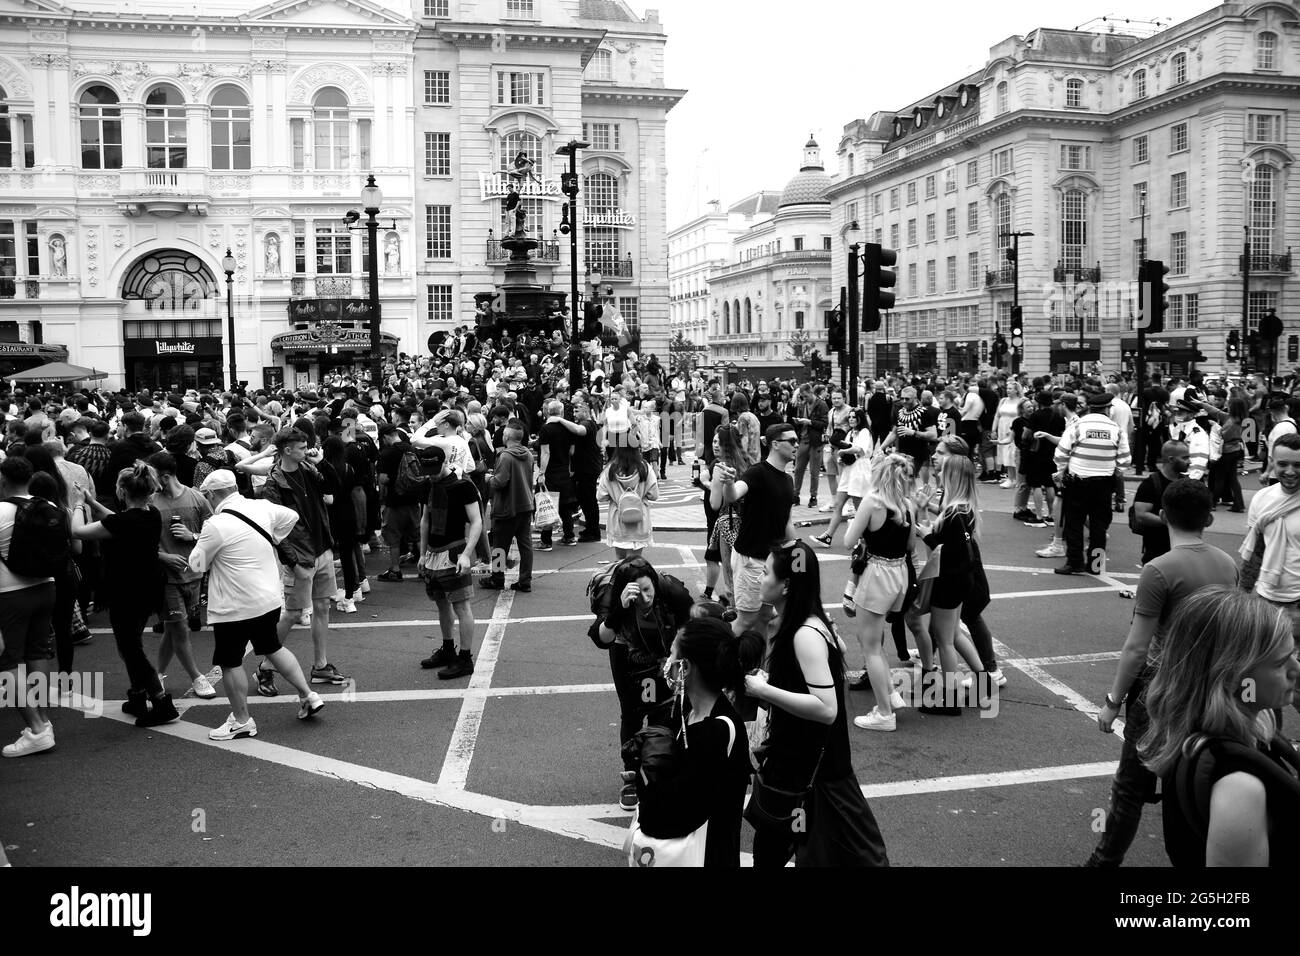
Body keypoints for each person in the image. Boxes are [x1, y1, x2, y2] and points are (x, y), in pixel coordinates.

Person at [1086, 478, 1238, 867]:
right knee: (1187, 780)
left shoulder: (1158, 570)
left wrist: (1111, 702)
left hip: (1161, 684)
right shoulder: (1227, 565)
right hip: (1209, 683)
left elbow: (1137, 646)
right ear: (1209, 517)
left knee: (1130, 786)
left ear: (1164, 515)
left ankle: (1104, 862)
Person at [746, 541, 889, 867]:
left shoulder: (804, 633)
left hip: (811, 769)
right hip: (804, 764)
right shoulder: (802, 623)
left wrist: (763, 690)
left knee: (849, 854)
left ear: (786, 585)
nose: (759, 578)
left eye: (766, 572)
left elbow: (827, 709)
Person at [1139, 587, 1300, 867]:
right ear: (1233, 677)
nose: (1296, 669)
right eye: (1280, 663)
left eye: (1294, 654)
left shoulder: (1237, 727)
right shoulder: (1239, 787)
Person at [188, 469, 325, 740]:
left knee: (230, 661)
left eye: (207, 495)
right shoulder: (261, 506)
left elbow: (196, 565)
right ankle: (308, 695)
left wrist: (198, 544)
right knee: (272, 646)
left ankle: (241, 720)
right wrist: (273, 536)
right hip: (268, 597)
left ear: (214, 494)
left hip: (234, 604)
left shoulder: (215, 524)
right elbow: (292, 516)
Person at [634, 617, 761, 867]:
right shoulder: (684, 710)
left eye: (672, 654)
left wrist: (648, 765)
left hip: (707, 856)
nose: (666, 662)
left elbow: (662, 816)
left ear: (687, 667)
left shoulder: (716, 732)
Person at [75, 462, 179, 727]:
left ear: (122, 491)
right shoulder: (151, 513)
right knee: (130, 643)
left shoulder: (123, 521)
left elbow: (77, 531)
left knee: (130, 648)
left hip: (126, 590)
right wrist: (93, 502)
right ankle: (137, 694)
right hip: (148, 587)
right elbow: (116, 520)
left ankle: (161, 700)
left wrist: (79, 505)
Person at [254, 427, 346, 696]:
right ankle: (265, 666)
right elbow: (274, 531)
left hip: (321, 549)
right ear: (287, 450)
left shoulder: (309, 469)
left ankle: (320, 666)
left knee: (323, 608)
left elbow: (333, 489)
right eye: (303, 448)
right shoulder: (274, 482)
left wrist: (323, 464)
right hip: (300, 556)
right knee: (293, 613)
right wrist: (293, 563)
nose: (308, 451)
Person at [596, 556, 693, 810]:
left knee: (666, 711)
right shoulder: (613, 597)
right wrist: (620, 610)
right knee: (632, 714)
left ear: (654, 584)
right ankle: (631, 774)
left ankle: (658, 767)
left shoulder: (671, 591)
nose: (645, 598)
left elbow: (689, 625)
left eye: (647, 590)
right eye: (638, 593)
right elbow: (601, 638)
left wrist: (675, 656)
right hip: (627, 658)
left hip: (664, 655)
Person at [842, 453, 914, 731]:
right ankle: (891, 695)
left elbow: (849, 541)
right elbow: (909, 546)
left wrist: (857, 526)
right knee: (875, 642)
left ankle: (884, 713)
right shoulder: (906, 505)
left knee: (869, 645)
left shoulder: (872, 502)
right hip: (899, 574)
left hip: (877, 574)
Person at [0, 457, 59, 757]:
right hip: (46, 586)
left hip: (9, 593)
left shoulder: (1, 511)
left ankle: (36, 729)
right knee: (38, 652)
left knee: (7, 662)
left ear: (4, 479)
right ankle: (43, 721)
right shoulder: (48, 507)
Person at [147, 451, 217, 700]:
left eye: (151, 475)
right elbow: (140, 542)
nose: (148, 479)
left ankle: (156, 676)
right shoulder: (149, 502)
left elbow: (215, 532)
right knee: (180, 627)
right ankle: (197, 676)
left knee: (172, 627)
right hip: (166, 578)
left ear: (164, 477)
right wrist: (162, 556)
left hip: (194, 576)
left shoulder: (197, 498)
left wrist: (192, 536)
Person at [718, 422, 797, 636]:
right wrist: (727, 482)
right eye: (791, 441)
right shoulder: (758, 472)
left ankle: (759, 666)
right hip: (751, 559)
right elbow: (733, 495)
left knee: (765, 617)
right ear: (775, 444)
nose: (796, 445)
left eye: (796, 441)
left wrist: (798, 555)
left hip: (771, 561)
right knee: (745, 620)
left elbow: (787, 522)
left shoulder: (788, 480)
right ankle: (719, 663)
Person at [417, 444, 483, 680]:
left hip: (454, 551)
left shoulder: (463, 485)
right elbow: (425, 520)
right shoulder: (427, 484)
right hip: (434, 553)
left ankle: (465, 659)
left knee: (461, 606)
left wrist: (466, 554)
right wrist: (422, 553)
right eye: (428, 470)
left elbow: (476, 521)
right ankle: (447, 649)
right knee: (441, 604)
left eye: (435, 468)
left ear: (445, 462)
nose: (432, 474)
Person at [1054, 391, 1130, 576]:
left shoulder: (1078, 426)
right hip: (1103, 484)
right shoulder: (1116, 429)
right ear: (1107, 409)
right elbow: (1125, 460)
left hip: (1078, 482)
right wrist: (1112, 471)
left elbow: (1061, 453)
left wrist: (1061, 470)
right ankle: (1096, 564)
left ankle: (1074, 563)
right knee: (1099, 525)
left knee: (1074, 524)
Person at [1239, 433, 1300, 638]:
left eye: (1298, 465)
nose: (1290, 471)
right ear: (1272, 462)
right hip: (1266, 603)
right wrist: (1242, 597)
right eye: (1283, 464)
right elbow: (1256, 551)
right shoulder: (1261, 499)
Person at [479, 418, 536, 593]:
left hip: (506, 507)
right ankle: (525, 580)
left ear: (506, 436)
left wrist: (489, 478)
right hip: (525, 505)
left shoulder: (505, 456)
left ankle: (497, 578)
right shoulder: (527, 453)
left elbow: (500, 483)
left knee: (499, 546)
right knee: (525, 545)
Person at [813, 408, 873, 547]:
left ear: (860, 419)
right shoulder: (850, 433)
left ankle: (865, 538)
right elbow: (848, 450)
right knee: (839, 505)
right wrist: (842, 458)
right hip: (849, 471)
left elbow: (860, 449)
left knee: (860, 507)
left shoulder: (865, 432)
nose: (851, 419)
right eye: (850, 417)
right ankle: (828, 536)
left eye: (854, 417)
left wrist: (844, 451)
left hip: (860, 470)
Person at [536, 400, 587, 549]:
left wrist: (541, 473)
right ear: (562, 412)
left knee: (547, 504)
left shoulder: (546, 429)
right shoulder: (567, 428)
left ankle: (546, 541)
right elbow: (571, 451)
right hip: (564, 470)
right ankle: (569, 536)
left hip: (550, 471)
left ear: (547, 412)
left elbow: (546, 452)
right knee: (565, 505)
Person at [375, 422, 422, 583]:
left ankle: (395, 570)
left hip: (394, 501)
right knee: (417, 535)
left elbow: (383, 479)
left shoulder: (387, 453)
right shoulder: (412, 449)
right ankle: (424, 568)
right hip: (414, 499)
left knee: (393, 536)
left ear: (386, 436)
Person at [1130, 440, 1189, 565]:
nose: (1189, 461)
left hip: (1183, 549)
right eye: (1185, 458)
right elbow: (1141, 515)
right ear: (1171, 459)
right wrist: (1171, 522)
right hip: (1156, 551)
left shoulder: (1187, 483)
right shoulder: (1150, 484)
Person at [599, 444, 659, 558]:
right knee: (635, 564)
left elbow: (601, 496)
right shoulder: (645, 468)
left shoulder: (610, 469)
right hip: (639, 522)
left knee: (620, 562)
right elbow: (654, 495)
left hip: (618, 523)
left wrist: (614, 495)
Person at [789, 383, 828, 508]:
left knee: (814, 471)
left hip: (815, 441)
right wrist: (799, 422)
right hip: (803, 439)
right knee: (798, 469)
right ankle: (795, 495)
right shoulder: (802, 405)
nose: (804, 398)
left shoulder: (821, 404)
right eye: (802, 396)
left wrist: (809, 422)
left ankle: (813, 496)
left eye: (805, 396)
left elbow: (824, 423)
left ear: (810, 392)